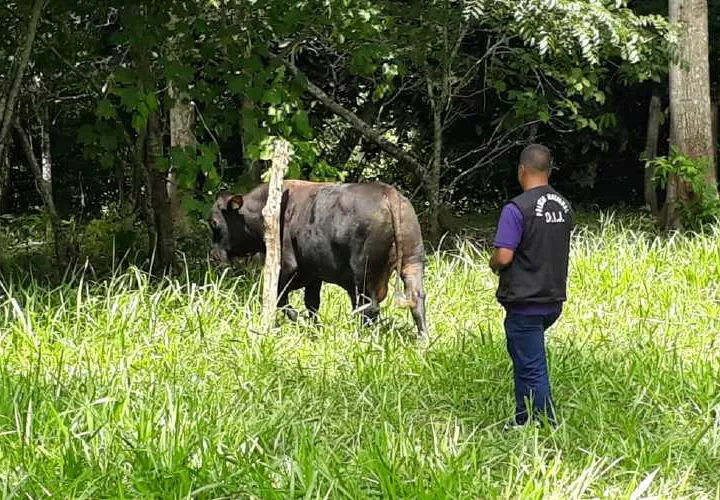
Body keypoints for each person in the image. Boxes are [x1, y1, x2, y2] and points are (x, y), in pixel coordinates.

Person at [489, 144, 574, 429]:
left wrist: (493, 263)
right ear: (549, 171)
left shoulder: (516, 209)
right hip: (553, 298)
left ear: (521, 170)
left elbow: (504, 256)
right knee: (527, 359)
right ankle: (524, 417)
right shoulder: (563, 206)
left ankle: (544, 422)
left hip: (526, 300)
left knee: (531, 365)